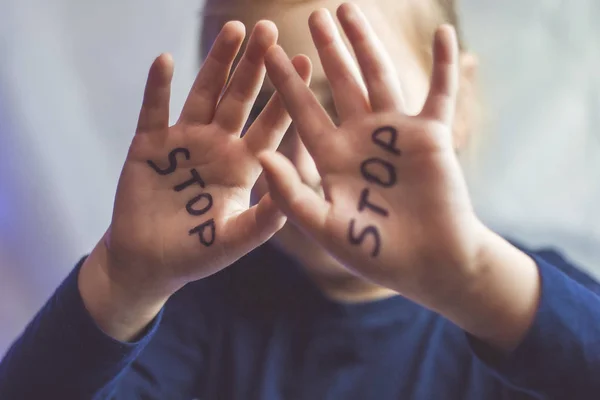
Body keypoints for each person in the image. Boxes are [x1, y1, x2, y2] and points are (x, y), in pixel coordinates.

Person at [1, 0, 599, 398]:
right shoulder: (194, 321)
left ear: (459, 102)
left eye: (352, 109)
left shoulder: (523, 303)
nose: (305, 170)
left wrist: (476, 281)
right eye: (261, 116)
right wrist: (118, 281)